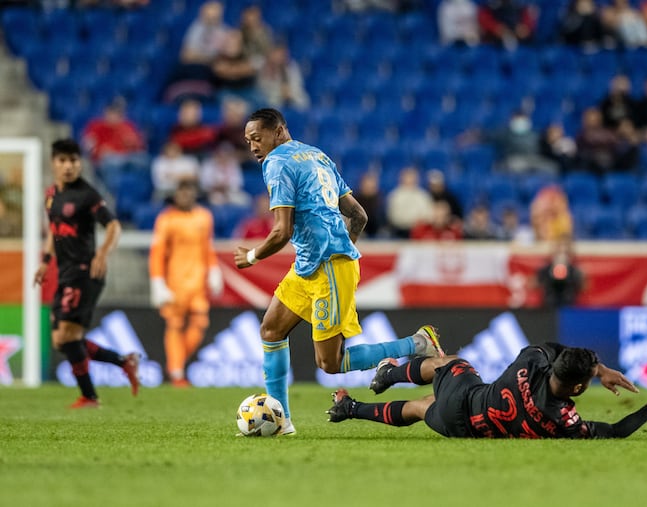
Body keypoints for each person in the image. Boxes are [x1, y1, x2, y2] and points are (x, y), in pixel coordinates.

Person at [233, 108, 446, 435]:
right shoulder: (317, 156)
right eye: (248, 141)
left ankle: (416, 344)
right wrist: (342, 244)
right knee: (271, 330)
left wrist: (251, 256)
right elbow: (358, 214)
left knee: (330, 363)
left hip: (329, 267)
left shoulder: (278, 163)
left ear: (278, 132)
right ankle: (280, 422)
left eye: (257, 138)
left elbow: (281, 231)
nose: (253, 147)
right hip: (311, 264)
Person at [328, 342, 647, 439]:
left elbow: (550, 347)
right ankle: (350, 407)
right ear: (578, 388)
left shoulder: (530, 362)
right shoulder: (563, 420)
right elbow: (614, 431)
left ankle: (392, 371)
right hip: (463, 428)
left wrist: (599, 368)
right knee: (421, 408)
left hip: (467, 395)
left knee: (449, 363)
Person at [33, 139, 139, 408]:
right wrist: (45, 262)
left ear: (80, 163)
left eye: (73, 161)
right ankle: (123, 362)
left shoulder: (87, 195)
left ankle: (90, 396)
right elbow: (54, 232)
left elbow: (114, 225)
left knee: (67, 336)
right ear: (53, 163)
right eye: (63, 161)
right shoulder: (51, 196)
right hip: (65, 272)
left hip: (85, 272)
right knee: (62, 339)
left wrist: (102, 253)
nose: (68, 166)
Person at [149, 178, 223, 387]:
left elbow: (207, 247)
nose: (185, 196)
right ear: (176, 195)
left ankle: (176, 362)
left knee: (200, 324)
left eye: (189, 192)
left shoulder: (204, 217)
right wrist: (157, 281)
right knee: (174, 325)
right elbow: (157, 253)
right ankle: (177, 373)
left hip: (198, 283)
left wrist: (214, 270)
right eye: (182, 193)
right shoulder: (166, 220)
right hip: (175, 283)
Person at [535, 235, 584, 307]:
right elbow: (535, 285)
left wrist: (571, 274)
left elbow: (583, 288)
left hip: (569, 307)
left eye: (565, 251)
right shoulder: (545, 270)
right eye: (559, 251)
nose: (561, 254)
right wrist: (550, 273)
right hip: (549, 307)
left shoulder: (575, 271)